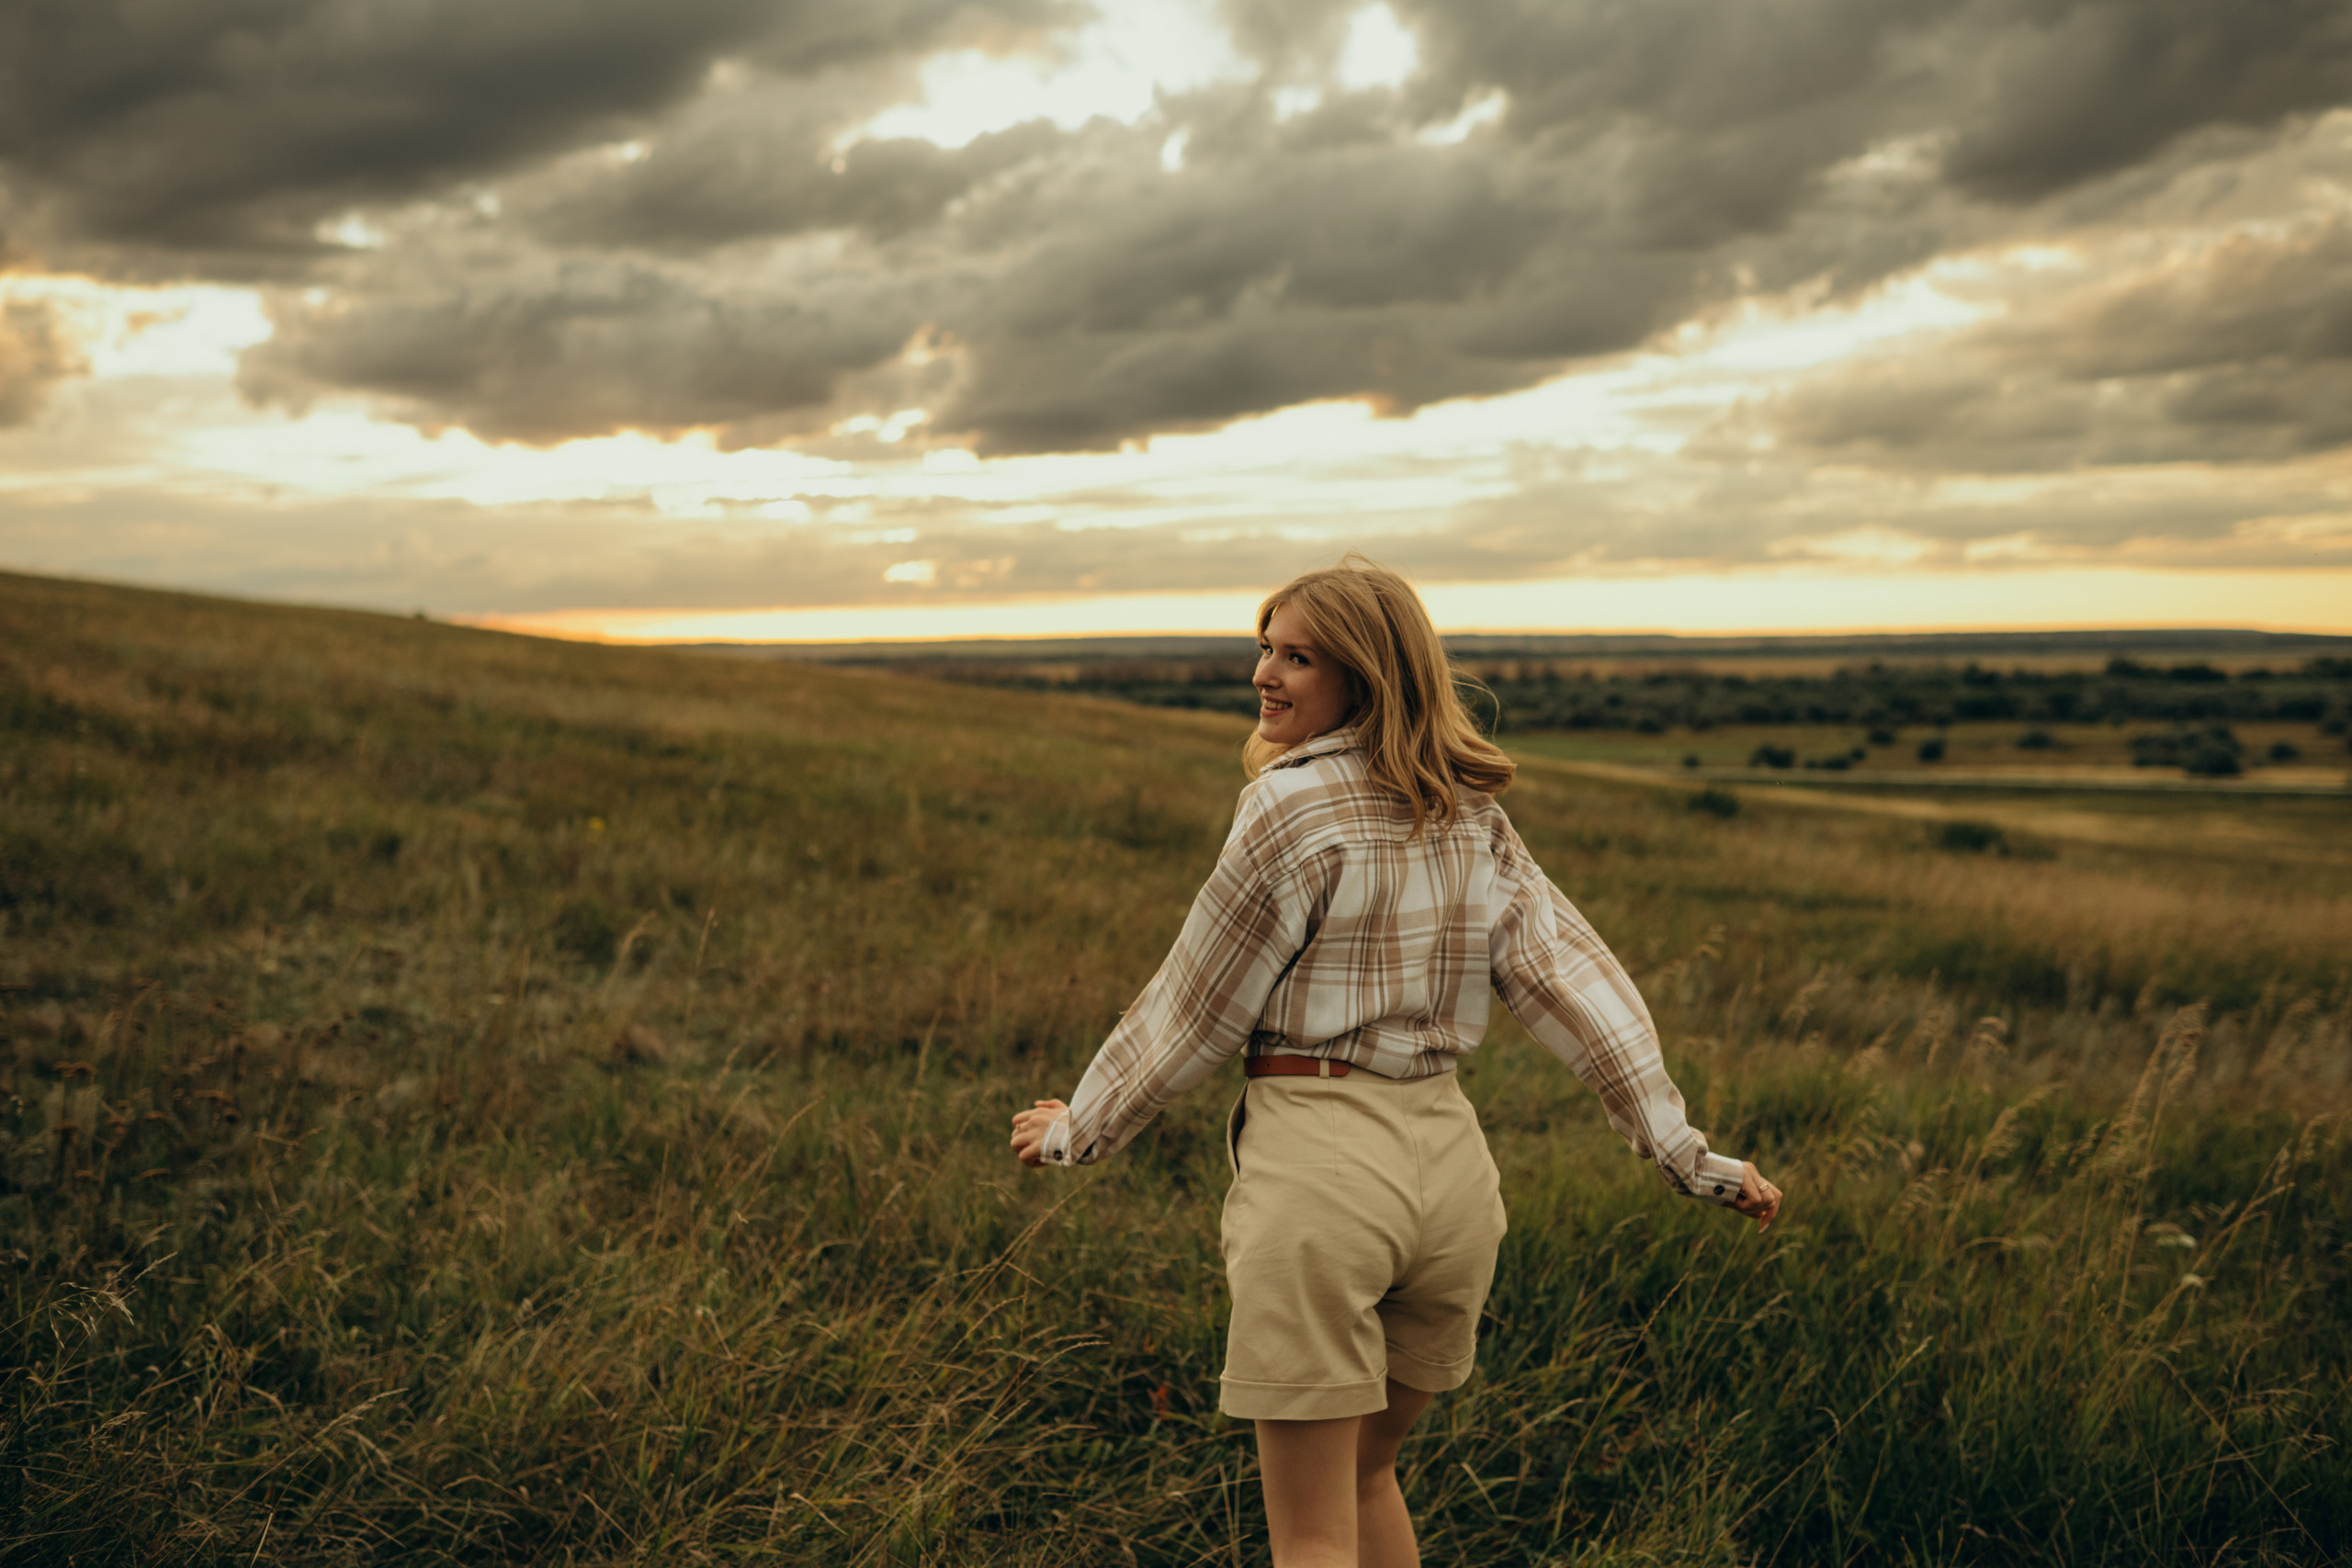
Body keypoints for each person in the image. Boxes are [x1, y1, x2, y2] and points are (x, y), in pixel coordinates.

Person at [1009, 558, 1783, 1568]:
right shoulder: (1469, 813)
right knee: (1370, 1481)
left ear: (1365, 677)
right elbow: (1579, 991)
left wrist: (1080, 1127)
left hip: (1323, 1175)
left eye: (1297, 657)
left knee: (1313, 1534)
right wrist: (1687, 1155)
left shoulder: (1286, 809)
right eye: (1265, 648)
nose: (1264, 675)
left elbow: (1195, 1005)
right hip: (1454, 1186)